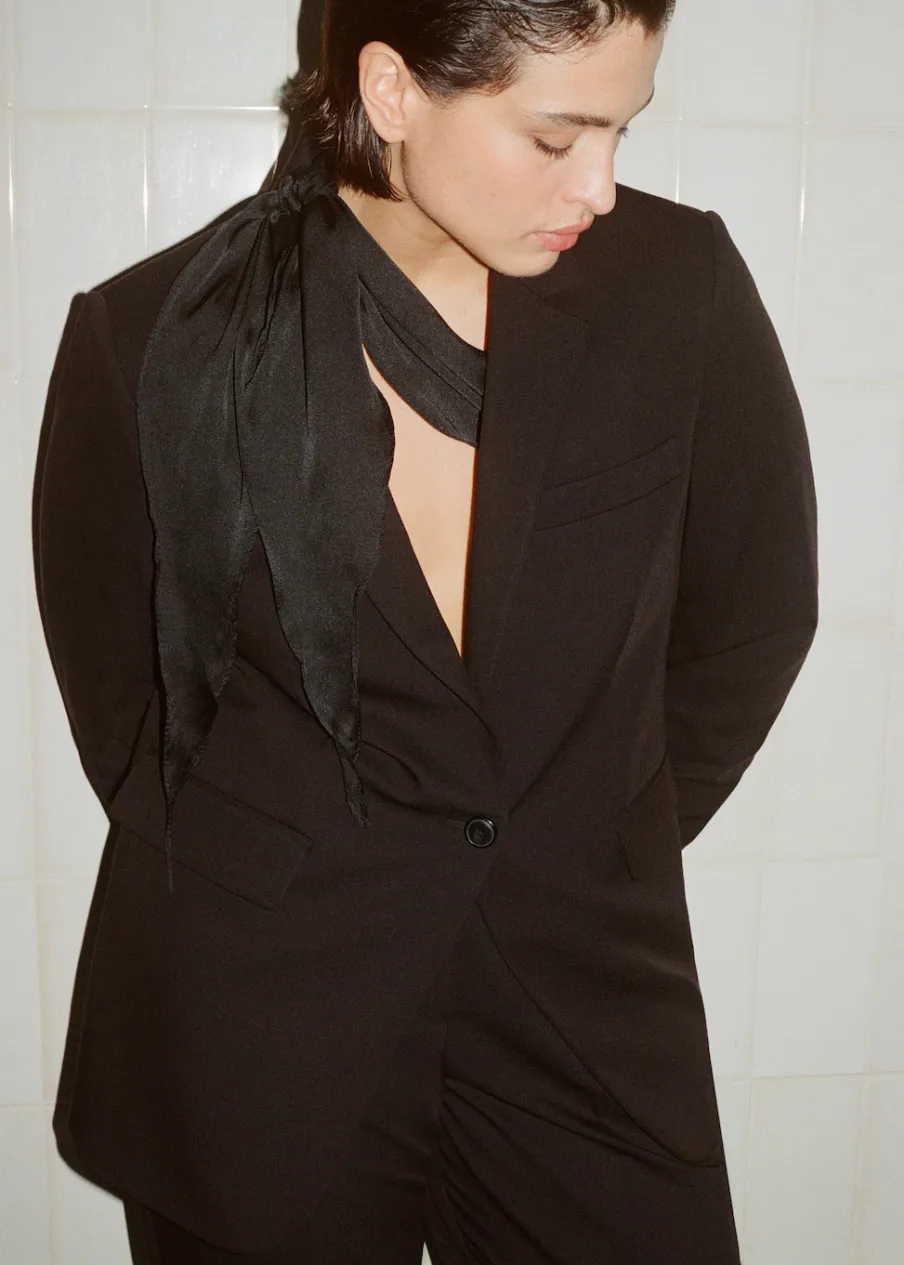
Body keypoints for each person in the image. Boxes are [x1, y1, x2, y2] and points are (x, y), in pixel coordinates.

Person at [32, 1, 819, 1261]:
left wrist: (599, 830)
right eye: (555, 137)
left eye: (619, 131)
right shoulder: (150, 338)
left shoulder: (678, 291)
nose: (599, 186)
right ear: (393, 91)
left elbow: (754, 617)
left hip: (579, 1003)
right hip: (260, 1020)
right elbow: (127, 699)